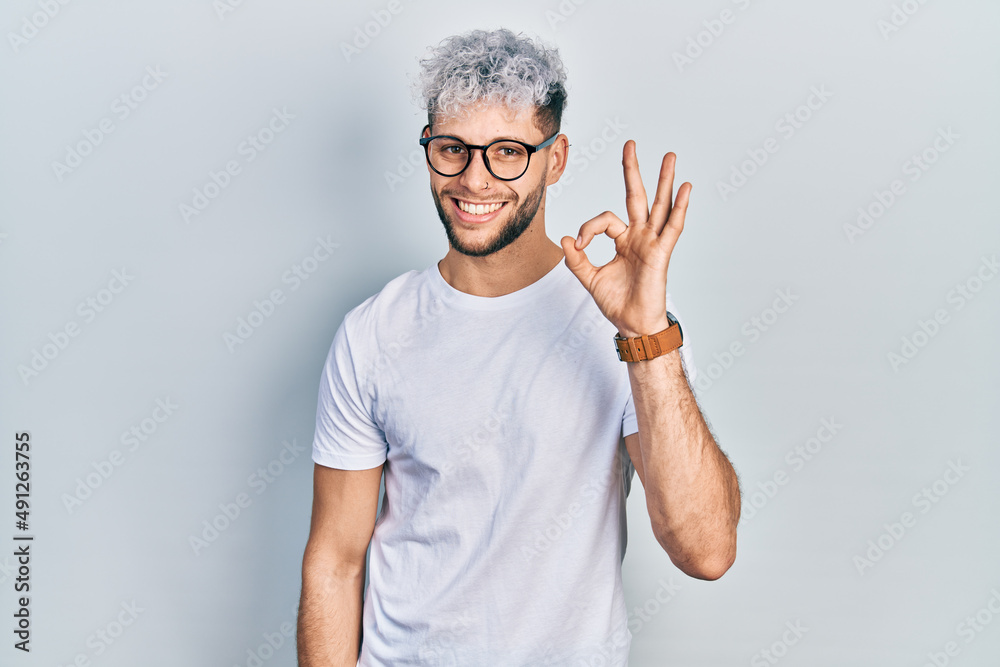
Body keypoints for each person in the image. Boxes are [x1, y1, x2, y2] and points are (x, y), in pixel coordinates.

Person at [297, 27, 740, 666]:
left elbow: (705, 550)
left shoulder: (632, 333)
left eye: (507, 151)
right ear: (427, 151)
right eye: (452, 148)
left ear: (554, 159)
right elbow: (335, 561)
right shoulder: (372, 332)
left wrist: (646, 336)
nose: (474, 180)